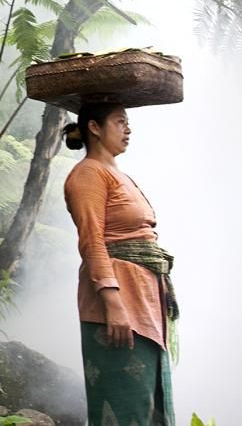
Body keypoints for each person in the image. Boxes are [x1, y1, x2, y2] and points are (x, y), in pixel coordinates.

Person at [62, 101, 178, 426]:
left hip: (144, 304)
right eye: (119, 121)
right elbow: (91, 240)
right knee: (125, 405)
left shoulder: (118, 174)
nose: (128, 129)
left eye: (127, 122)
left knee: (148, 402)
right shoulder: (87, 174)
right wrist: (112, 301)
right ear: (94, 128)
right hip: (117, 306)